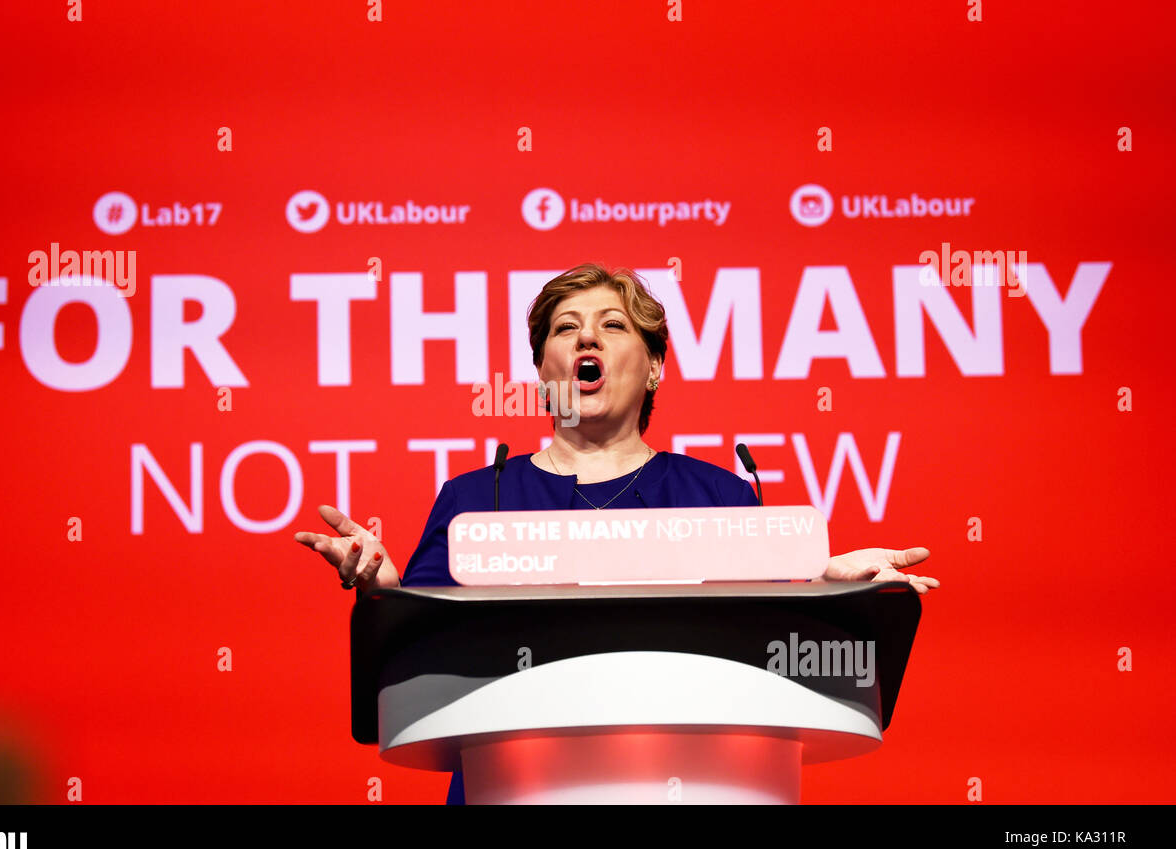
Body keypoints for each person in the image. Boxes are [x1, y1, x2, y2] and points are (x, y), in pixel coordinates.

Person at [295, 262, 940, 803]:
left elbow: (769, 629)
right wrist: (387, 590)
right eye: (565, 330)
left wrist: (826, 589)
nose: (586, 342)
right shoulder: (477, 499)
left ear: (654, 366)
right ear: (543, 370)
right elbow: (422, 648)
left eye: (612, 327)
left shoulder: (716, 494)